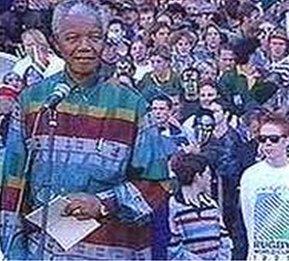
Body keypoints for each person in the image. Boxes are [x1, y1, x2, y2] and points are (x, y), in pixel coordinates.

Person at [0, 0, 174, 259]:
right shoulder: (32, 102)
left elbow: (159, 183)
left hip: (114, 252)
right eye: (72, 38)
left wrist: (105, 204)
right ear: (56, 43)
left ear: (105, 42)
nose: (84, 46)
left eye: (94, 37)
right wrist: (15, 254)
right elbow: (13, 188)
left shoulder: (132, 105)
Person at [240, 115, 289, 260]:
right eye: (262, 139)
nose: (267, 143)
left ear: (286, 141)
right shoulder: (250, 175)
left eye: (274, 139)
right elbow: (247, 217)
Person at [167, 152, 233, 260]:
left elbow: (224, 239)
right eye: (208, 174)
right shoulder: (174, 206)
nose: (210, 179)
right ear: (198, 176)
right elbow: (173, 247)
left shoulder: (211, 204)